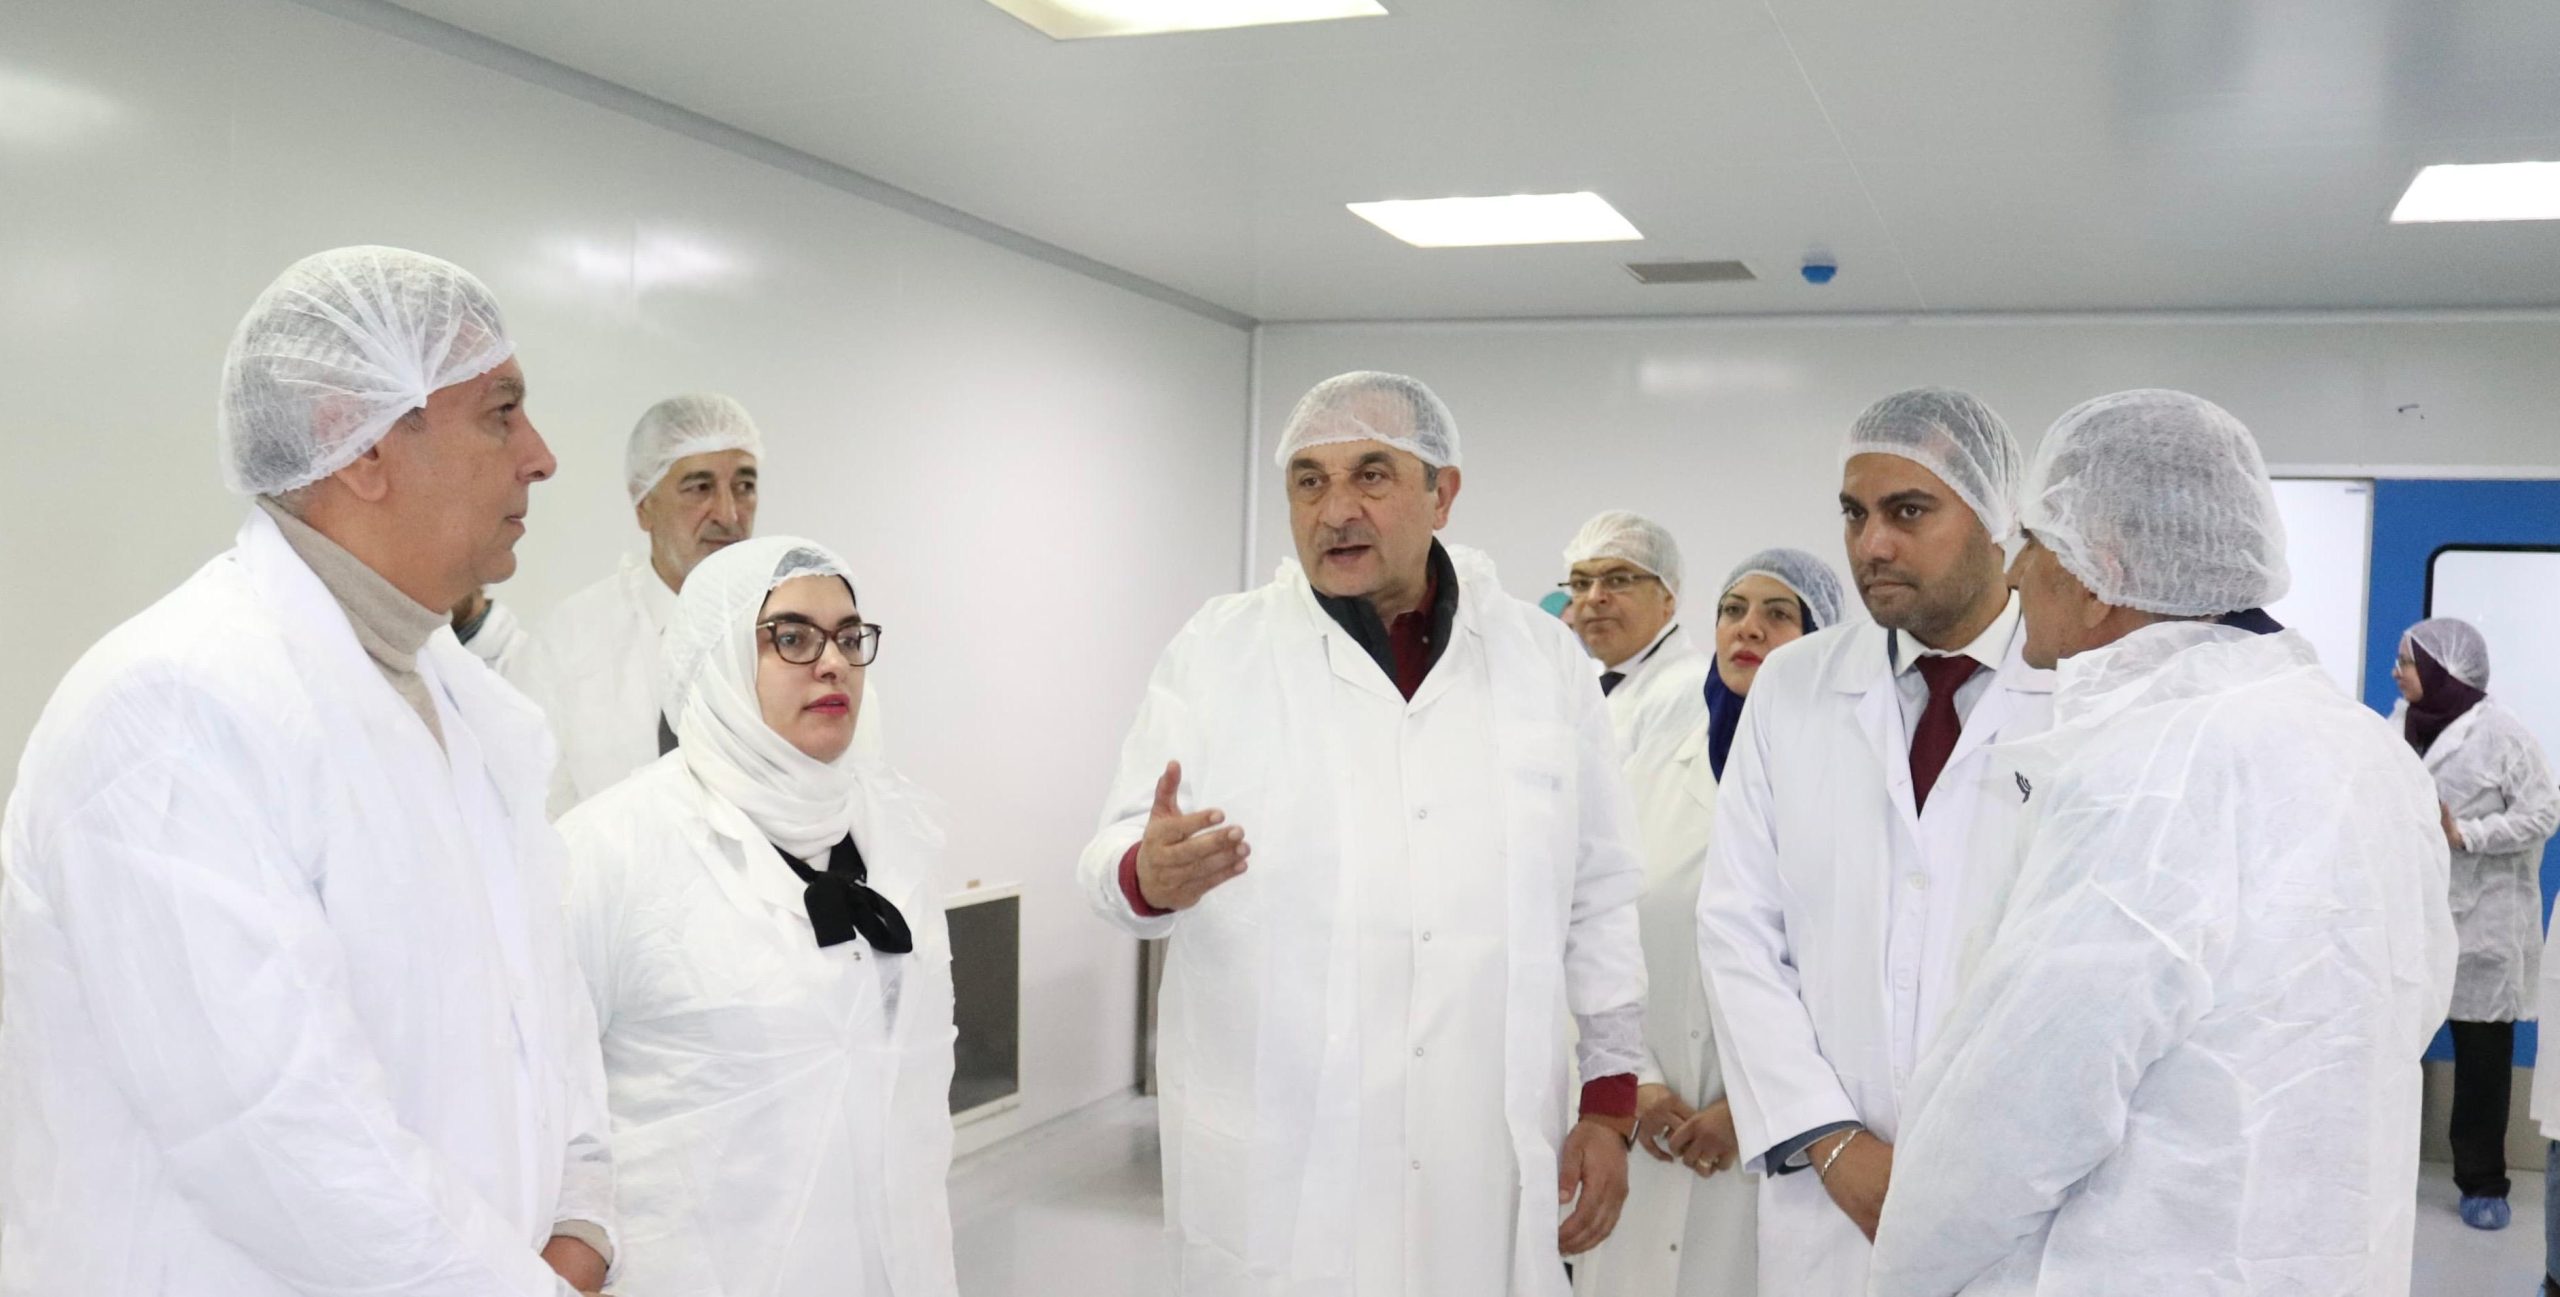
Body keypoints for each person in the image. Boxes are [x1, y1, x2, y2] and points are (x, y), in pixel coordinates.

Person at [0, 246, 616, 1295]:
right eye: (501, 413)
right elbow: (279, 1138)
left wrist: (583, 1219)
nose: (541, 456)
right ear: (363, 445)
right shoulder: (170, 711)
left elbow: (549, 1020)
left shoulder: (469, 710)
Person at [1868, 389, 2459, 1297]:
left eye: (2035, 541)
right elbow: (2411, 994)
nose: (2015, 574)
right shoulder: (2367, 748)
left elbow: (2019, 1107)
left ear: (2100, 573)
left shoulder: (2153, 765)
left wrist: (1902, 1270)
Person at [1077, 371, 1648, 1295]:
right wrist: (1148, 872)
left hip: (1480, 1151)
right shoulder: (1219, 652)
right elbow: (1108, 857)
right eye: (1308, 480)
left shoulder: (1542, 662)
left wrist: (1610, 1100)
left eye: (1371, 475)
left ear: (1442, 493)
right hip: (1287, 1153)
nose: (1335, 509)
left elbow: (1601, 890)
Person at [1695, 388, 2055, 1297]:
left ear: (1999, 518)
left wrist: (1978, 1170)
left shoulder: (2078, 691)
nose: (1872, 545)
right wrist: (1828, 1137)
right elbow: (1738, 928)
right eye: (1855, 514)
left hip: (2020, 1206)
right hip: (1827, 1197)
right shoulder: (1793, 686)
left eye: (1908, 511)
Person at [559, 536, 957, 1295]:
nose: (833, 662)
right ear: (719, 661)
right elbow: (543, 1105)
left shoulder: (899, 833)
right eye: (793, 637)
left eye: (849, 637)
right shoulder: (609, 850)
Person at [1572, 547, 1845, 1297]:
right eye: (1732, 610)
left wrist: (1755, 1109)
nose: (1747, 628)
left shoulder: (1847, 794)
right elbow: (1593, 926)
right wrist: (1635, 1081)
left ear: (1821, 642)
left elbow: (1861, 982)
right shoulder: (1652, 767)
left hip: (1773, 1147)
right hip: (1646, 1131)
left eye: (1778, 614)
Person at [509, 394, 882, 814]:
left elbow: (852, 791)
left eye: (744, 487)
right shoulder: (567, 643)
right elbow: (535, 814)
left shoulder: (808, 642)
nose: (728, 513)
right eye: (700, 487)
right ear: (644, 506)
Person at [2391, 617, 2560, 1232]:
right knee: (2393, 1043)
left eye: (2407, 663)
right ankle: (2386, 1167)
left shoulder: (2502, 735)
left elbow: (2544, 812)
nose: (2396, 673)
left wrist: (2466, 834)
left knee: (2482, 1059)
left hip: (2486, 922)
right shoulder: (2397, 725)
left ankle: (2483, 1183)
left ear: (2445, 671)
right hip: (2414, 913)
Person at [1561, 510, 1711, 762]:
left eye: (1618, 580)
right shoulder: (1592, 681)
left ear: (1667, 596)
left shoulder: (1688, 689)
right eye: (1581, 584)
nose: (1594, 597)